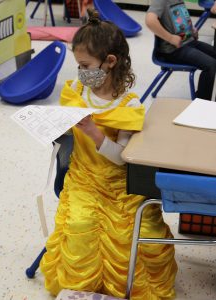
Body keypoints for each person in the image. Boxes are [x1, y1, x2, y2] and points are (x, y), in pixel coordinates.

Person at [40, 9, 177, 299]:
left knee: (137, 234)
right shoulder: (78, 90)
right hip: (83, 179)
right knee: (80, 225)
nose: (80, 72)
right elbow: (65, 134)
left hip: (119, 184)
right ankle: (82, 290)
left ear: (110, 62)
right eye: (78, 65)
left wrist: (93, 130)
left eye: (85, 65)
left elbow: (122, 157)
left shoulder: (128, 104)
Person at [146, 0, 216, 101]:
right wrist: (170, 38)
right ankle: (202, 103)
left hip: (188, 43)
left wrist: (192, 29)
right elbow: (150, 21)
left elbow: (180, 18)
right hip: (173, 51)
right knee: (211, 65)